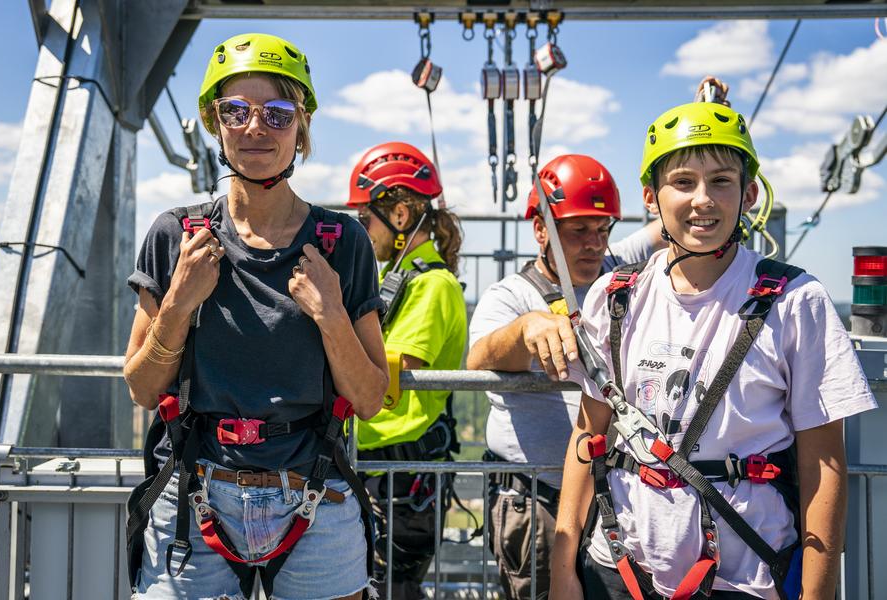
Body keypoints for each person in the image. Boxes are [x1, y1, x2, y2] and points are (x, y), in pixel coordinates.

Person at [551, 101, 878, 600]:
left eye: (721, 181)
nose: (702, 199)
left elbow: (823, 467)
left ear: (748, 194)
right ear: (651, 198)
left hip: (743, 578)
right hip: (619, 567)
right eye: (683, 181)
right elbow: (589, 433)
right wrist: (563, 573)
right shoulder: (615, 296)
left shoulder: (795, 302)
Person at [123, 33, 387, 599]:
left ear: (303, 126)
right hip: (197, 492)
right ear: (215, 123)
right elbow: (144, 387)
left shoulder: (342, 243)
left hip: (314, 492)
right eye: (235, 111)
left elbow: (368, 397)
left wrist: (332, 315)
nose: (254, 127)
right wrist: (178, 303)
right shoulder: (176, 236)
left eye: (277, 112)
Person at [466, 153, 662, 600]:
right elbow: (477, 361)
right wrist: (526, 328)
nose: (593, 244)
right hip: (538, 499)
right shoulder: (511, 296)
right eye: (577, 232)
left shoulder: (614, 269)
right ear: (541, 230)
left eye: (602, 230)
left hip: (610, 494)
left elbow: (666, 221)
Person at [346, 142, 468, 600]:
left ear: (399, 215)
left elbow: (387, 376)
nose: (362, 229)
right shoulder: (396, 279)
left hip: (401, 480)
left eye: (365, 217)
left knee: (390, 592)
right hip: (381, 472)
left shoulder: (433, 286)